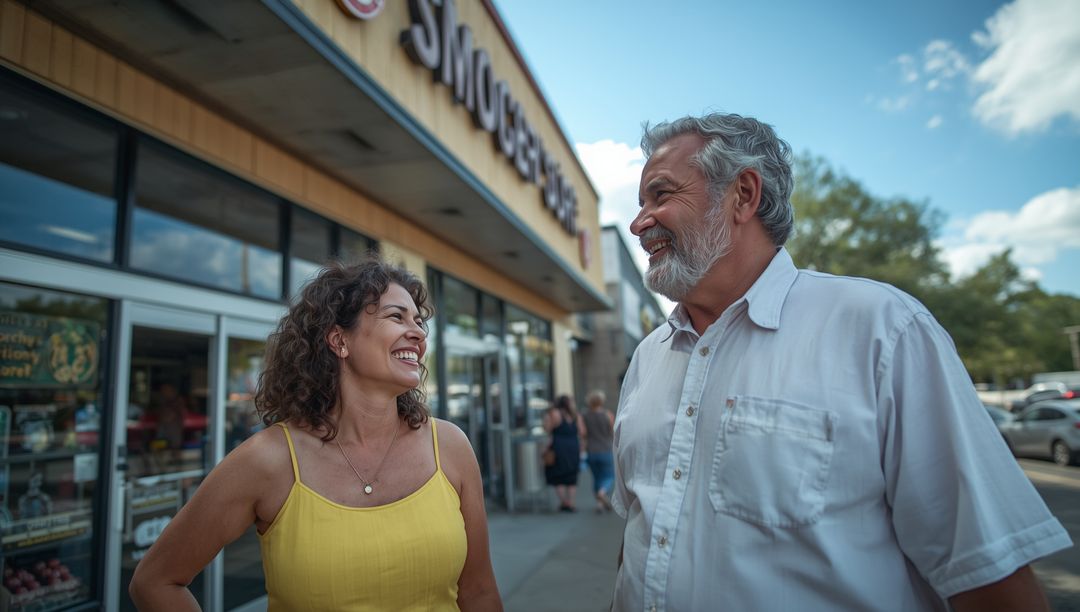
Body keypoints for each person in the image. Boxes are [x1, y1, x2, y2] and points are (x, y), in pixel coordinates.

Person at [611, 112, 1072, 611]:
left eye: (661, 195)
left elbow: (987, 573)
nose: (639, 223)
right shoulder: (646, 359)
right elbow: (642, 533)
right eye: (640, 204)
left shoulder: (883, 330)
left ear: (743, 194)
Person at [129, 258, 502, 611]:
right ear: (339, 341)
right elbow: (155, 581)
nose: (418, 333)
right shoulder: (269, 459)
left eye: (419, 322)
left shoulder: (450, 447)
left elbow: (479, 591)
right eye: (396, 316)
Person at [543, 394, 583, 512]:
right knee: (571, 475)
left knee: (558, 473)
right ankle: (571, 502)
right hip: (573, 445)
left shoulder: (554, 413)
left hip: (558, 445)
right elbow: (582, 431)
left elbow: (547, 429)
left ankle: (563, 502)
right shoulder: (576, 415)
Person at [582, 390, 615, 513]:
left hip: (591, 450)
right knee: (609, 476)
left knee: (596, 478)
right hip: (605, 449)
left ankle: (599, 504)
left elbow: (582, 433)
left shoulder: (584, 415)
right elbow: (613, 432)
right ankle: (602, 492)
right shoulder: (608, 415)